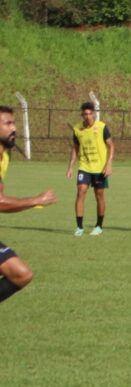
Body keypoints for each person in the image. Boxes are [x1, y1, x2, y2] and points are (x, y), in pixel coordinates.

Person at [1, 105, 57, 305]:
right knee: (20, 273)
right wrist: (36, 200)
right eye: (7, 123)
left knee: (20, 274)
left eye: (14, 122)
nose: (14, 128)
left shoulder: (4, 155)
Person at [66, 101, 113, 237]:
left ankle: (99, 226)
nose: (88, 116)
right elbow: (75, 149)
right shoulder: (77, 129)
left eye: (90, 114)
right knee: (81, 191)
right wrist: (70, 167)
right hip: (84, 166)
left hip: (100, 168)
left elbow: (111, 146)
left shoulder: (102, 127)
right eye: (85, 114)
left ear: (94, 114)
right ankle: (79, 227)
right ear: (82, 115)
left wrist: (109, 164)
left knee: (99, 195)